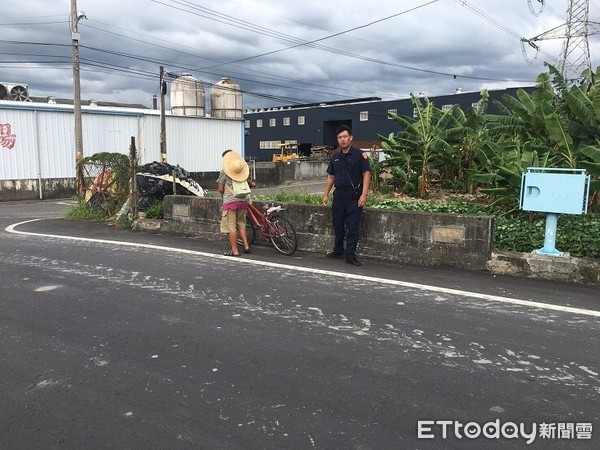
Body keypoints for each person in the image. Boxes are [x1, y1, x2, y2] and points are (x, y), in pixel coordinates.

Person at [322, 125, 371, 266]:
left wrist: (364, 195)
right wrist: (326, 195)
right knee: (337, 225)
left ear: (350, 138)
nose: (342, 140)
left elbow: (366, 174)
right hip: (339, 196)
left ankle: (350, 255)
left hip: (354, 196)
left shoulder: (359, 155)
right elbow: (331, 177)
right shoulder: (335, 157)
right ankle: (338, 250)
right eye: (340, 137)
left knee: (353, 227)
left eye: (345, 137)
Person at [217, 150, 251, 256]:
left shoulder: (224, 171)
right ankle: (246, 245)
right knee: (241, 224)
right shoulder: (242, 170)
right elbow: (248, 183)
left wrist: (225, 193)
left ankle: (235, 250)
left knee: (231, 227)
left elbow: (220, 189)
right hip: (242, 200)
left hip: (230, 203)